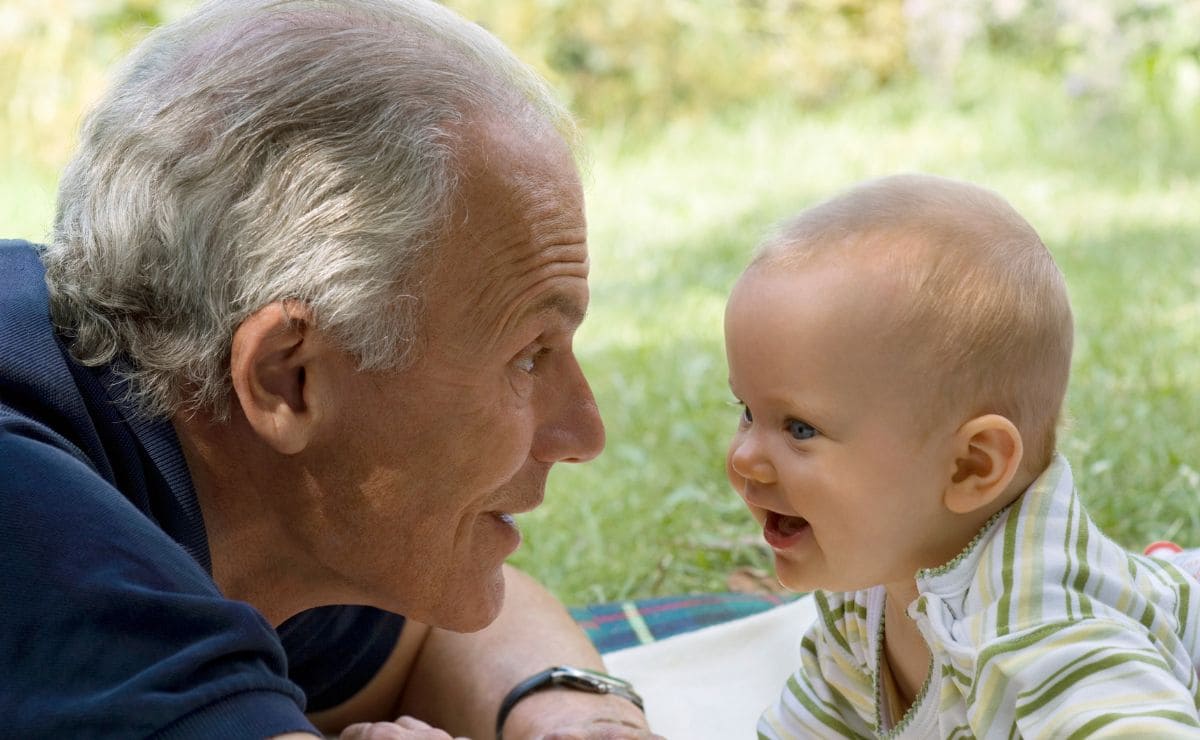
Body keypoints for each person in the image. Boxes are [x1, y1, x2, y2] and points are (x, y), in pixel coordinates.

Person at [0, 1, 660, 738]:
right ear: (288, 377)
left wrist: (575, 718)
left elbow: (428, 630)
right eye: (528, 356)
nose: (583, 432)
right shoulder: (35, 516)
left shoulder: (229, 484)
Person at [722, 173, 1200, 738]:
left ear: (972, 466)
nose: (745, 457)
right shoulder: (864, 594)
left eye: (799, 428)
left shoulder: (1044, 630)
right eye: (747, 411)